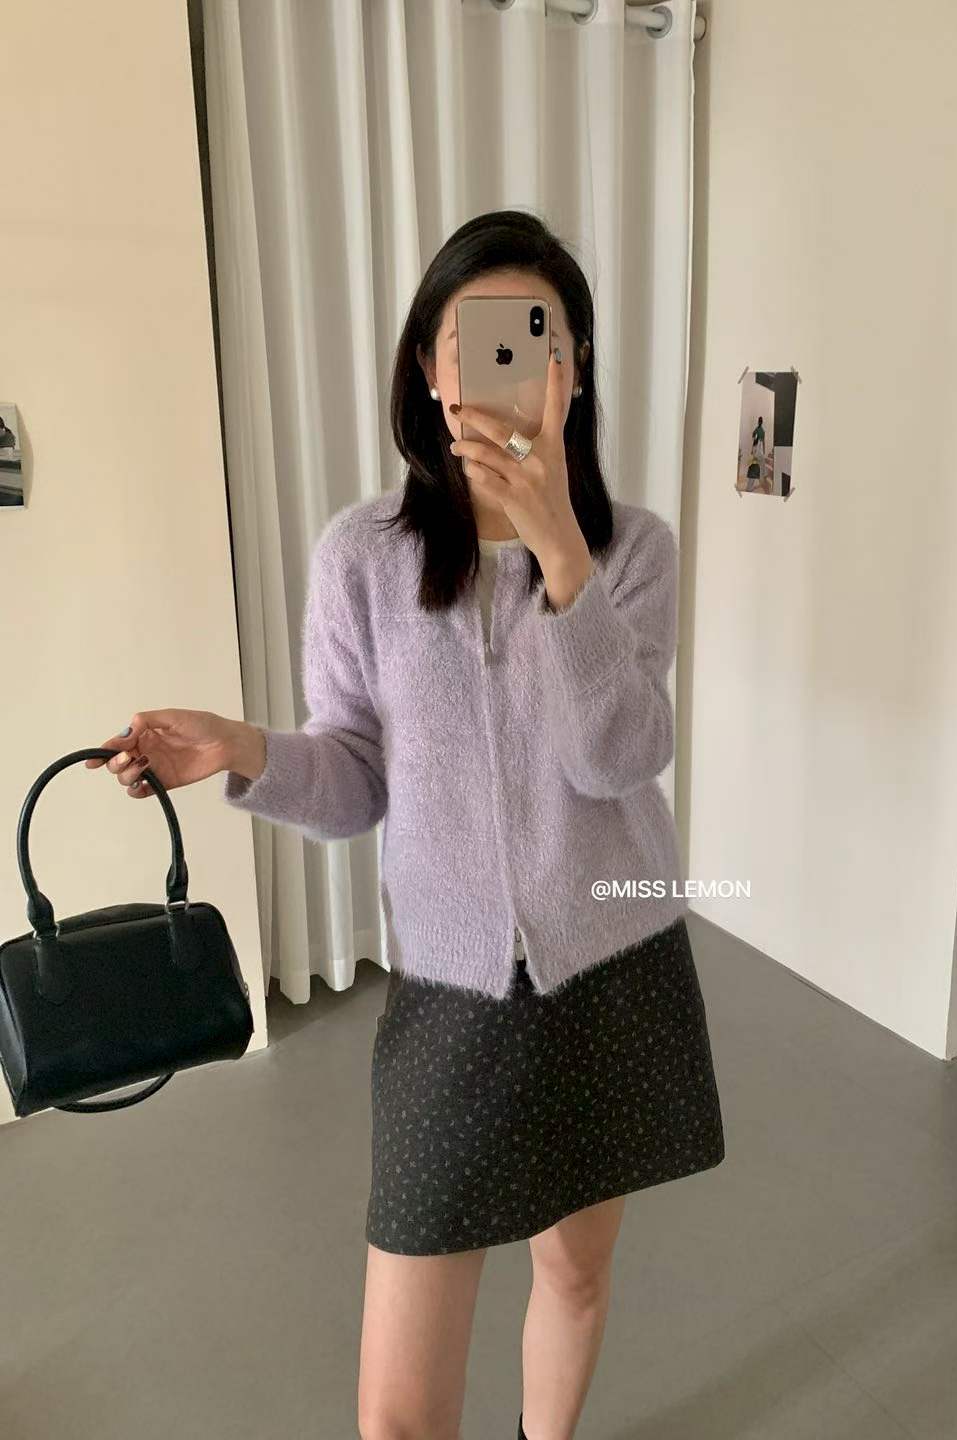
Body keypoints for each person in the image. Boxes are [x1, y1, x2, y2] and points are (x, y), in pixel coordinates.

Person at [89, 209, 725, 1440]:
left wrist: (561, 557)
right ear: (430, 368)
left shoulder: (633, 550)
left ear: (575, 367)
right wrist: (244, 749)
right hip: (448, 989)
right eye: (472, 338)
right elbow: (357, 778)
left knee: (573, 1272)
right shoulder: (362, 559)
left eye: (537, 335)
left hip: (614, 966)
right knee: (395, 1413)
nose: (506, 363)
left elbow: (618, 757)